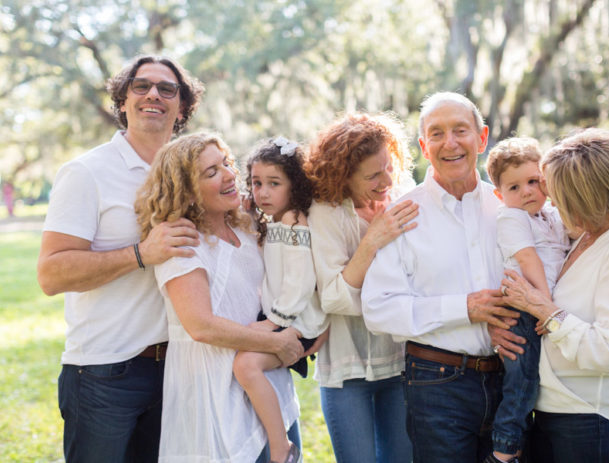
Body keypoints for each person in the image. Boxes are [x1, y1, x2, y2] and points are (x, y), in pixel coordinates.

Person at [36, 55, 204, 463]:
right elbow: (51, 273)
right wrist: (140, 254)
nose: (154, 95)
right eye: (141, 86)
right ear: (123, 100)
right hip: (104, 374)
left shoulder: (194, 172)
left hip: (180, 370)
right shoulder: (86, 172)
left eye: (168, 89)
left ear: (182, 107)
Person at [362, 92, 519, 463]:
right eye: (436, 133)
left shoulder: (508, 208)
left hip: (509, 382)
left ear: (481, 138)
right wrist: (464, 308)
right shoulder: (403, 215)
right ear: (423, 146)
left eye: (460, 130)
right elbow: (378, 309)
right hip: (437, 383)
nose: (449, 143)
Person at [135, 132, 305, 462]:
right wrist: (275, 343)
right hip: (214, 386)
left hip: (266, 382)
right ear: (186, 191)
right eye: (211, 172)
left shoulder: (245, 226)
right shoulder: (181, 242)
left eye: (226, 163)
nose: (229, 174)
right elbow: (201, 325)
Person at [497, 128, 609, 463]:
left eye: (557, 193)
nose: (551, 201)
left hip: (591, 418)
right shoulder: (584, 233)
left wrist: (542, 309)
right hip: (554, 409)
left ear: (586, 199)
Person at [304, 112, 418, 463]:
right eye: (372, 175)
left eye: (388, 166)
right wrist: (373, 240)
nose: (387, 180)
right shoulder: (325, 213)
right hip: (346, 366)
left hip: (401, 361)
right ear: (343, 177)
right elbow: (336, 298)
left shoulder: (404, 195)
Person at [232, 136, 328, 463]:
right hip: (282, 317)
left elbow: (301, 281)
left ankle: (281, 448)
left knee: (246, 365)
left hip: (299, 321)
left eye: (274, 183)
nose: (263, 192)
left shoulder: (294, 221)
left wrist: (275, 322)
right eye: (257, 183)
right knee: (243, 363)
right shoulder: (275, 222)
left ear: (295, 186)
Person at [484, 137, 572, 463]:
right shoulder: (512, 218)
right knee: (523, 383)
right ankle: (503, 452)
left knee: (537, 383)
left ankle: (522, 447)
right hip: (523, 309)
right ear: (500, 195)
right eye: (514, 187)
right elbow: (528, 259)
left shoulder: (550, 214)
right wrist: (546, 306)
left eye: (533, 182)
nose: (527, 192)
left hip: (540, 309)